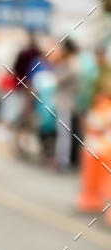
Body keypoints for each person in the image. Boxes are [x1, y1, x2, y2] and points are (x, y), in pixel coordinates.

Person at [53, 39, 80, 171]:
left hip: (66, 103)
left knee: (63, 134)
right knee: (63, 133)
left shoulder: (71, 64)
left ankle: (62, 161)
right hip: (65, 102)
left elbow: (58, 79)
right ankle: (61, 159)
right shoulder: (70, 63)